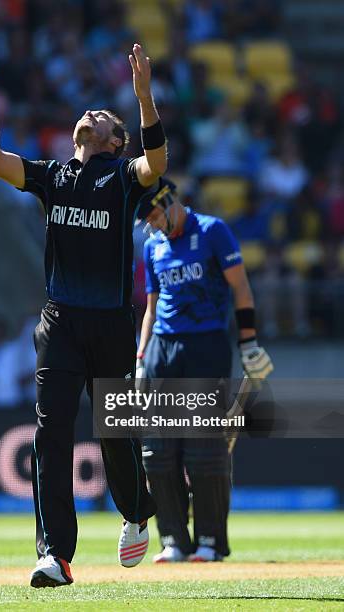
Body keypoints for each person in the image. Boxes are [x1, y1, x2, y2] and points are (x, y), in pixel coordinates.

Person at [0, 37, 167, 587]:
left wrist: (145, 96)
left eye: (102, 116)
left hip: (110, 323)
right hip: (59, 320)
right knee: (50, 431)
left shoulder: (124, 178)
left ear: (114, 140)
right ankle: (55, 554)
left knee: (115, 433)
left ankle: (134, 511)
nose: (90, 114)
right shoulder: (54, 178)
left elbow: (156, 163)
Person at [136, 179, 273, 563]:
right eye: (147, 221)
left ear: (171, 201)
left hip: (207, 344)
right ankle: (174, 541)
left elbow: (241, 289)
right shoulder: (153, 246)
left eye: (155, 215)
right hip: (164, 349)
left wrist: (249, 342)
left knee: (205, 450)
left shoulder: (213, 231)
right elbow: (151, 306)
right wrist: (141, 356)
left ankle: (210, 541)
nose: (154, 225)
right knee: (158, 453)